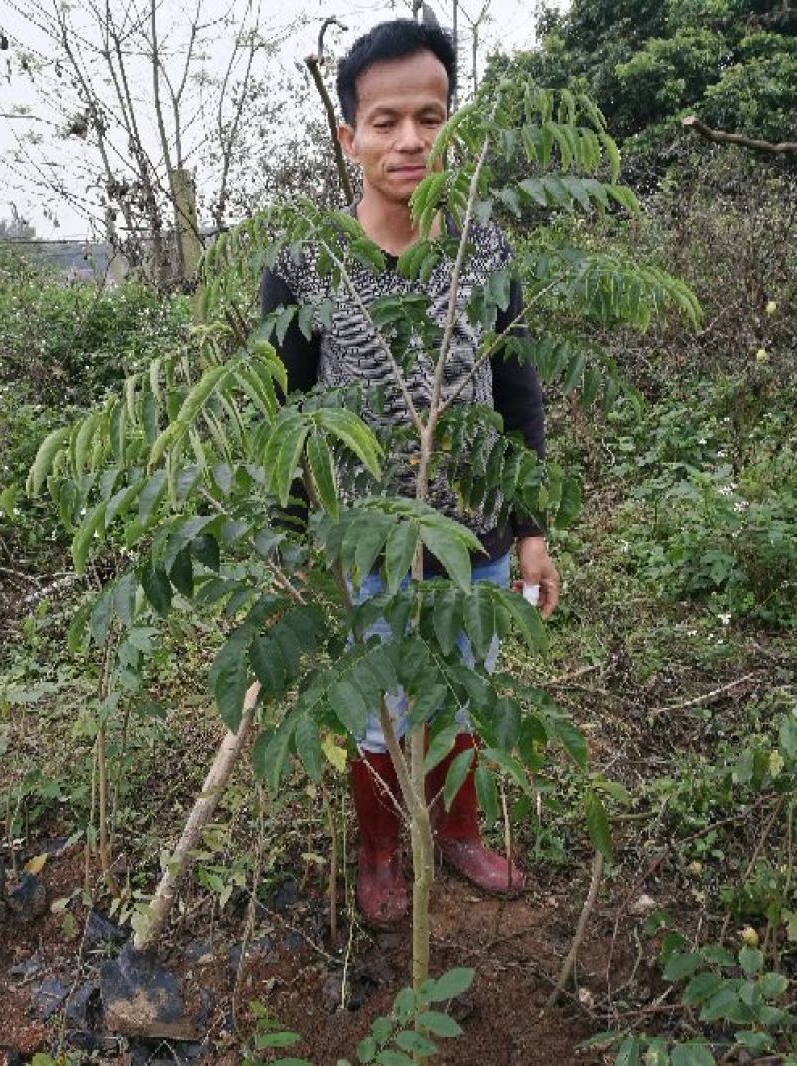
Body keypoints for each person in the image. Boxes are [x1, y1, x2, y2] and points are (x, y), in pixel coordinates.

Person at [260, 19, 560, 927]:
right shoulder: (305, 265)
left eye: (429, 117)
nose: (410, 141)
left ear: (451, 126)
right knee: (374, 710)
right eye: (384, 121)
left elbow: (519, 396)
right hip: (365, 551)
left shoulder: (485, 251)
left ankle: (459, 831)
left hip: (478, 543)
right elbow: (287, 423)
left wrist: (534, 532)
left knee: (464, 690)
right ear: (347, 135)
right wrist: (290, 550)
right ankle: (382, 847)